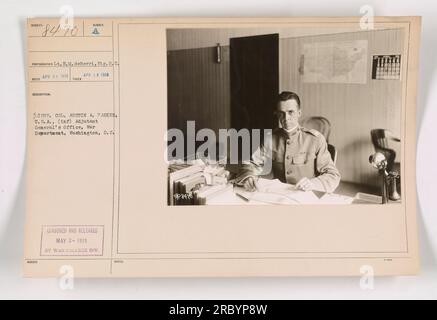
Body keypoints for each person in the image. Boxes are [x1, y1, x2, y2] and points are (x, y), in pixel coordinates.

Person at [236, 91, 341, 193]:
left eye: (291, 112)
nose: (286, 118)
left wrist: (313, 184)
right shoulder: (270, 138)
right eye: (281, 113)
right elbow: (251, 163)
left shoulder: (315, 140)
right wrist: (248, 176)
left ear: (299, 113)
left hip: (307, 195)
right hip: (280, 194)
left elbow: (333, 175)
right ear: (277, 114)